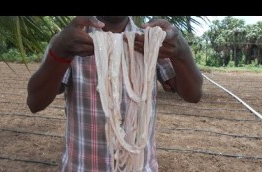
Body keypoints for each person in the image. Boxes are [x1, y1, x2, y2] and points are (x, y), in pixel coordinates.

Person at [27, 16, 203, 172]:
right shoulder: (72, 40)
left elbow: (193, 94)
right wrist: (59, 52)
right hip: (81, 166)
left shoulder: (151, 40)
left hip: (140, 167)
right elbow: (35, 103)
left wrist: (182, 51)